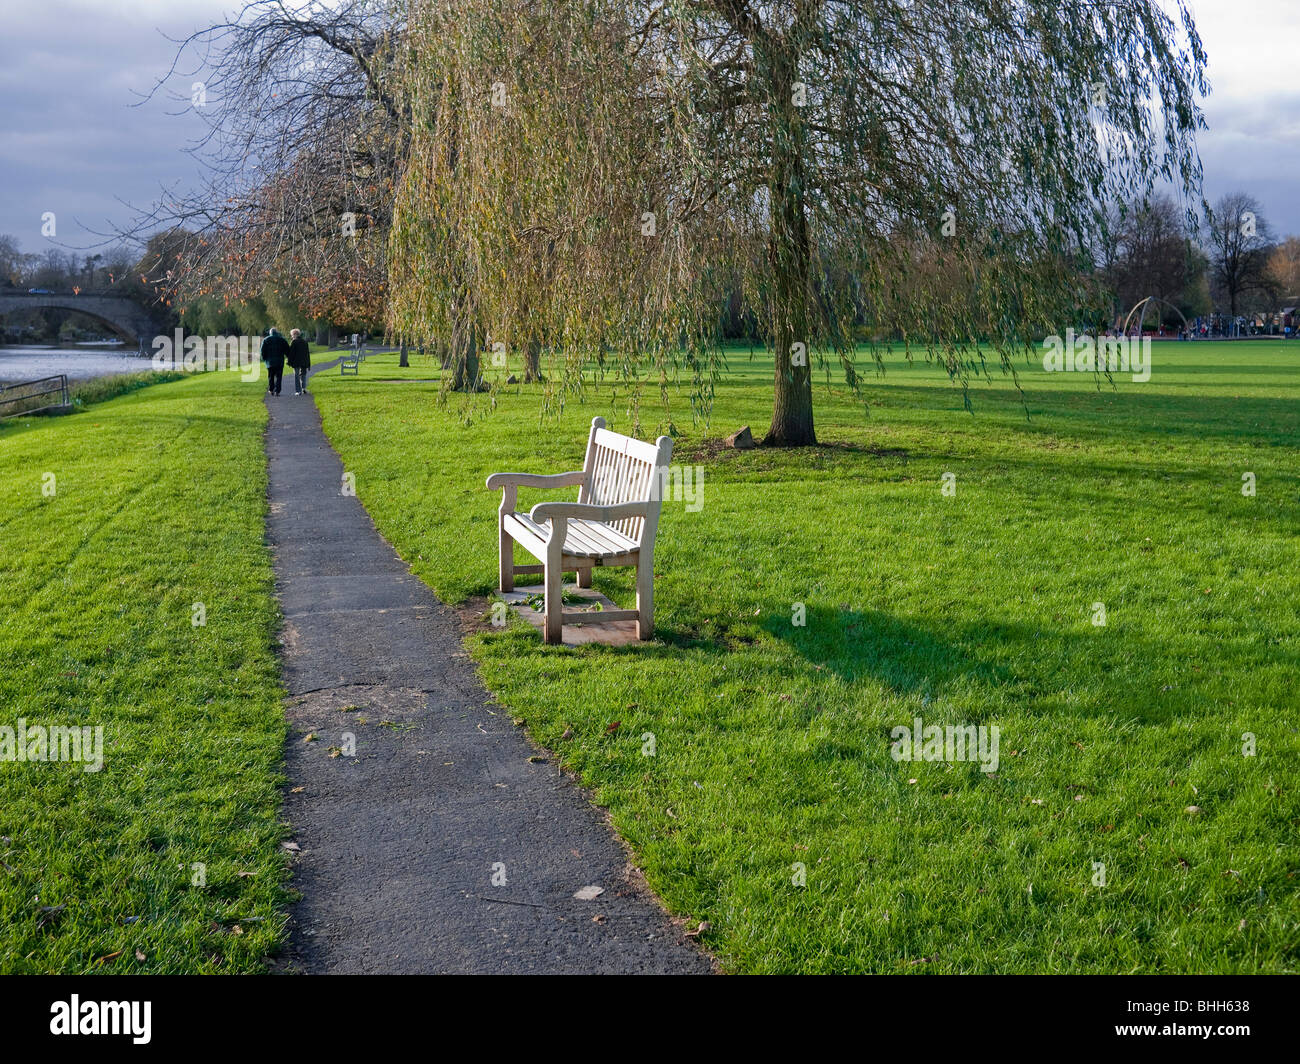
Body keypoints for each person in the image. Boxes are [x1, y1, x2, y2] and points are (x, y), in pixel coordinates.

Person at [260, 327, 289, 396]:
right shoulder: (282, 340)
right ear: (277, 332)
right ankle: (277, 391)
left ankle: (271, 389)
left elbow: (262, 351)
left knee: (271, 376)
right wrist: (288, 357)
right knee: (279, 377)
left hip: (270, 362)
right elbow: (287, 350)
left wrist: (264, 358)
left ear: (270, 333)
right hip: (279, 361)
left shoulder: (266, 340)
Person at [287, 328, 312, 395]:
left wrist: (289, 362)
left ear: (295, 334)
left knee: (297, 376)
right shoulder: (305, 342)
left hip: (296, 362)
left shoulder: (294, 342)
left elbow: (291, 353)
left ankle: (298, 391)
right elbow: (307, 353)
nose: (292, 336)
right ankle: (303, 388)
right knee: (303, 375)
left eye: (292, 335)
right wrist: (309, 364)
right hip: (304, 362)